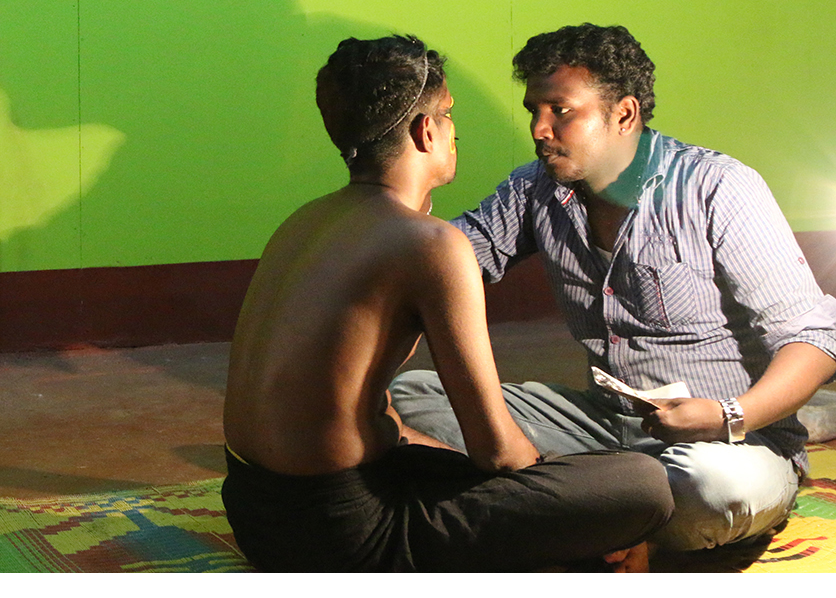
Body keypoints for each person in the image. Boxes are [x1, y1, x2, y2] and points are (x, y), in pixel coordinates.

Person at [222, 35, 673, 572]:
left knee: (458, 451)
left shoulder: (305, 222)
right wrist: (568, 503)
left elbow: (371, 410)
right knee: (640, 486)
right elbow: (498, 451)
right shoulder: (430, 244)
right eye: (450, 116)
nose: (454, 132)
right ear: (425, 130)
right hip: (343, 538)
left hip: (253, 510)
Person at [391, 23, 836, 552]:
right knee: (407, 398)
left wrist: (728, 415)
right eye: (535, 109)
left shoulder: (719, 188)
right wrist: (394, 194)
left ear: (623, 114)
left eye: (560, 111)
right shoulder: (535, 188)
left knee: (713, 491)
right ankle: (602, 505)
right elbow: (441, 260)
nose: (538, 128)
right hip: (604, 425)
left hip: (723, 442)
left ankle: (573, 501)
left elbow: (815, 340)